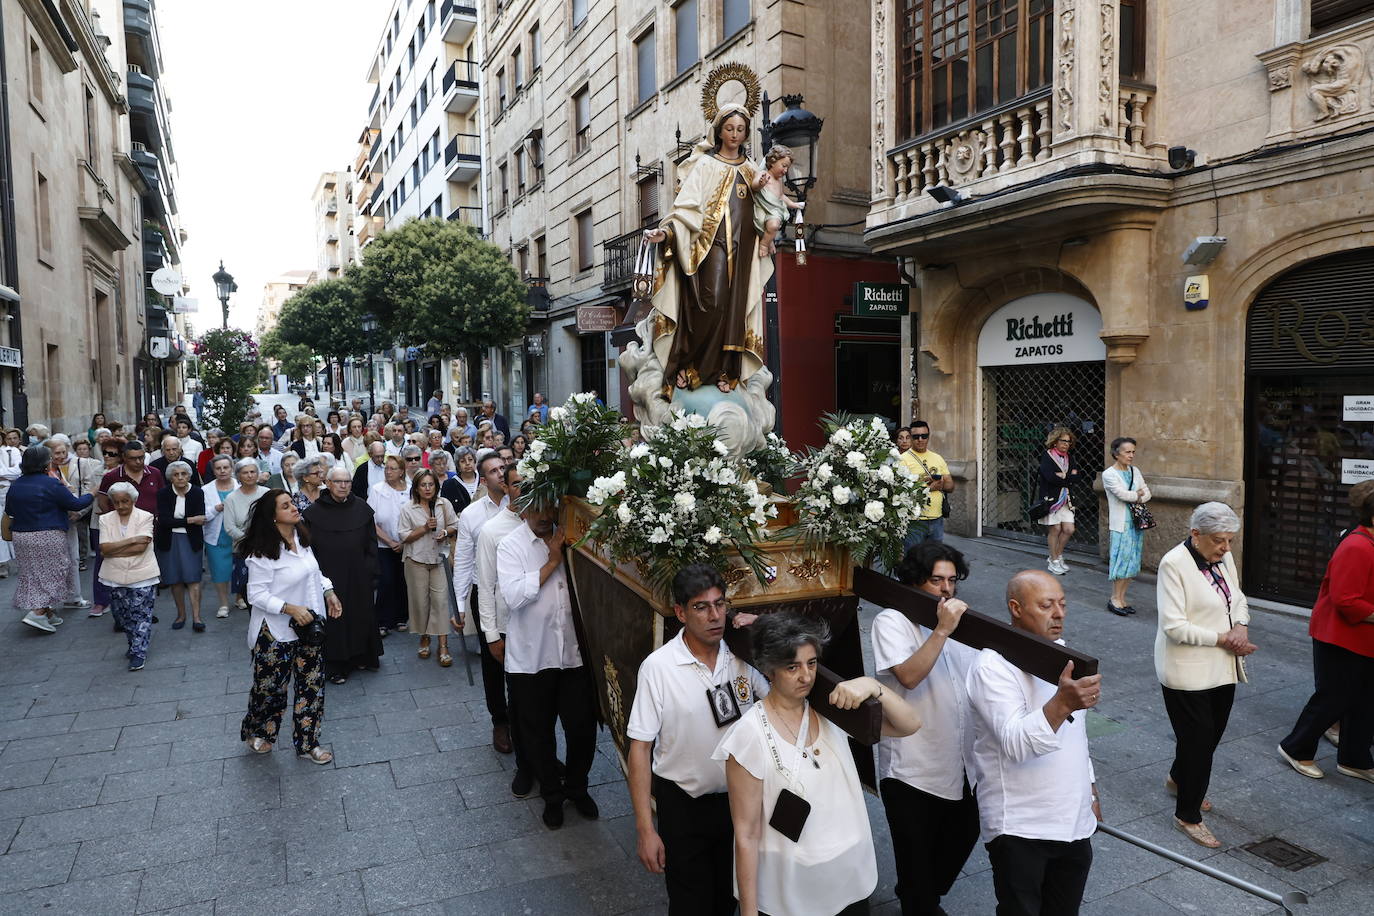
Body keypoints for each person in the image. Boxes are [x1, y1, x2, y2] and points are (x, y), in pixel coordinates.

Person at [715, 611, 920, 916]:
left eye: (811, 663)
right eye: (792, 667)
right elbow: (745, 833)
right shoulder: (749, 735)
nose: (806, 676)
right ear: (769, 669)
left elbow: (910, 724)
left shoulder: (833, 710)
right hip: (790, 888)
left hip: (847, 877)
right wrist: (748, 910)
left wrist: (873, 687)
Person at [627, 564, 771, 914]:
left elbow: (783, 702)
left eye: (720, 604)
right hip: (684, 805)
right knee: (691, 903)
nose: (715, 616)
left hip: (741, 803)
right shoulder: (658, 667)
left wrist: (766, 631)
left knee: (733, 896)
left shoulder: (742, 655)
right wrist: (646, 829)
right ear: (680, 612)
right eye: (701, 607)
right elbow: (640, 749)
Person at [967, 569, 1102, 914]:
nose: (1059, 614)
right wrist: (1063, 703)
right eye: (1046, 605)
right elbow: (1016, 744)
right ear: (1016, 607)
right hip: (1020, 825)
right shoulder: (990, 666)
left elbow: (1078, 735)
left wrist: (1090, 789)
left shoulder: (1062, 655)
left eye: (1062, 604)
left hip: (1072, 820)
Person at [874, 542, 980, 916]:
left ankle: (920, 894)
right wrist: (941, 631)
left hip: (959, 763)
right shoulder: (892, 621)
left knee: (964, 835)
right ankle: (919, 900)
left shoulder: (960, 626)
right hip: (911, 768)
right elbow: (909, 675)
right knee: (916, 858)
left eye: (952, 580)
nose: (946, 589)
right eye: (936, 580)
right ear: (916, 580)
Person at [644, 103, 769, 396]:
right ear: (719, 130)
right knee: (710, 303)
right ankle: (690, 365)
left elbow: (767, 207)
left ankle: (726, 371)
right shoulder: (706, 166)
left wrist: (769, 232)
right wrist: (667, 233)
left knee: (733, 311)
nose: (735, 135)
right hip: (709, 248)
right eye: (729, 128)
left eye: (740, 129)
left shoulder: (752, 171)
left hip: (744, 250)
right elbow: (685, 208)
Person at [1155, 502, 1256, 849]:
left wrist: (1241, 625)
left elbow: (1237, 597)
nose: (1226, 548)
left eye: (1229, 540)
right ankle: (1188, 814)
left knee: (1210, 737)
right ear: (1195, 534)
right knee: (1198, 742)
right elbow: (1174, 626)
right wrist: (1223, 638)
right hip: (1186, 669)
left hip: (1222, 664)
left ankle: (1179, 778)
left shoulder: (1222, 557)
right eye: (1218, 541)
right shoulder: (1173, 564)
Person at [498, 500, 600, 829]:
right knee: (538, 733)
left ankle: (577, 787)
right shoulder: (511, 545)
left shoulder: (573, 537)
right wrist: (553, 560)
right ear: (522, 511)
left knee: (582, 728)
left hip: (573, 654)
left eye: (548, 508)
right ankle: (552, 796)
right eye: (535, 509)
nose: (543, 516)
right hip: (532, 657)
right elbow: (514, 596)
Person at [1279, 480, 1374, 783]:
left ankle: (1355, 759)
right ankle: (1295, 748)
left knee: (1364, 701)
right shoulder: (1357, 546)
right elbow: (1345, 600)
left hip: (1361, 639)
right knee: (1333, 698)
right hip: (1340, 637)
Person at [238, 489, 341, 763]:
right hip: (275, 632)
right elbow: (256, 595)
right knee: (270, 689)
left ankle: (309, 744)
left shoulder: (301, 538)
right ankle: (260, 731)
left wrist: (329, 592)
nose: (294, 508)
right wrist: (289, 607)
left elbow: (314, 574)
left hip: (310, 629)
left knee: (312, 687)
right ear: (273, 517)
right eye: (286, 506)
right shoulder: (262, 552)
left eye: (292, 503)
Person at [471, 462, 533, 791]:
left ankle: (542, 756)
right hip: (507, 627)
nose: (523, 490)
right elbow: (485, 587)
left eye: (529, 483)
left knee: (538, 702)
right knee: (517, 699)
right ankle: (525, 761)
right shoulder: (492, 530)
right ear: (507, 489)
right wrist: (492, 636)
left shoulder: (544, 524)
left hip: (538, 628)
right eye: (517, 484)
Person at [457, 450, 515, 754]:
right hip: (486, 593)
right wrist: (460, 606)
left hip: (517, 592)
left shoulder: (521, 505)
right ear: (483, 478)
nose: (500, 473)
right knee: (493, 660)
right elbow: (464, 563)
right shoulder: (471, 515)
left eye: (503, 467)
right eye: (493, 470)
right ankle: (500, 721)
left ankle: (521, 717)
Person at [305, 465, 383, 684]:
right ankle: (338, 665)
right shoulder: (314, 513)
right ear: (328, 484)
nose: (343, 486)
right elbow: (309, 549)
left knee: (361, 615)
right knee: (336, 620)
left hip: (360, 573)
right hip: (331, 577)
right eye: (338, 482)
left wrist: (370, 568)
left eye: (347, 482)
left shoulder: (361, 508)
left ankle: (362, 656)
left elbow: (371, 542)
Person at [9, 445, 94, 633]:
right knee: (56, 572)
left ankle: (47, 613)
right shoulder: (50, 483)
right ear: (45, 463)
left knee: (33, 574)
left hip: (21, 535)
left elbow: (10, 510)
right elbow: (75, 503)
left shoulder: (17, 484)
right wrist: (93, 493)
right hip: (47, 534)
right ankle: (38, 613)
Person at [398, 468, 459, 666]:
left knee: (441, 602)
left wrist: (444, 531)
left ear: (436, 486)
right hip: (416, 560)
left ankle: (443, 646)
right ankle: (424, 636)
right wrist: (424, 528)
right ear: (416, 488)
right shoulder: (408, 508)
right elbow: (403, 536)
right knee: (420, 603)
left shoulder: (443, 504)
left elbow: (455, 525)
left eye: (430, 484)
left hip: (439, 559)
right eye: (422, 485)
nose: (427, 488)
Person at [97, 481, 160, 669]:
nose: (121, 506)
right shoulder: (105, 519)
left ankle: (139, 652)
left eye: (125, 501)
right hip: (114, 575)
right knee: (123, 616)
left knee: (141, 615)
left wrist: (114, 548)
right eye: (116, 502)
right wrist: (132, 540)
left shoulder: (145, 516)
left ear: (133, 500)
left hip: (143, 573)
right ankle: (133, 644)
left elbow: (141, 548)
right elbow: (104, 548)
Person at [1102, 436, 1152, 616]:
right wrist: (1136, 494)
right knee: (1121, 561)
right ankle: (1114, 598)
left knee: (1132, 562)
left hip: (1136, 523)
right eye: (1127, 452)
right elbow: (1121, 494)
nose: (1131, 455)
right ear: (1116, 454)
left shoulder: (1135, 471)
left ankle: (1122, 599)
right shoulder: (1109, 474)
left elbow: (1147, 493)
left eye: (1133, 452)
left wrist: (1137, 495)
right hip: (1121, 524)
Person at [154, 461, 207, 632]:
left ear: (189, 476)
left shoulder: (198, 492)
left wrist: (183, 522)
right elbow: (164, 520)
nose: (180, 477)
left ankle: (197, 617)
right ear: (170, 478)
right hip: (169, 540)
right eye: (176, 475)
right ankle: (181, 615)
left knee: (193, 578)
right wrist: (190, 520)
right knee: (174, 579)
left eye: (183, 474)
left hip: (191, 540)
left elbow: (201, 517)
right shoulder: (163, 493)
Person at [369, 454, 412, 635]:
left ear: (401, 471)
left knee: (403, 581)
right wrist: (390, 541)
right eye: (386, 468)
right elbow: (371, 520)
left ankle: (402, 617)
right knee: (386, 581)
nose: (388, 471)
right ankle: (383, 621)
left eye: (393, 468)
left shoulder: (410, 489)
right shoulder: (377, 490)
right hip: (384, 545)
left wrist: (404, 541)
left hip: (408, 544)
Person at [222, 458, 268, 613]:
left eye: (252, 471)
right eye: (245, 472)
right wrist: (250, 542)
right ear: (238, 476)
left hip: (268, 549)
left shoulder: (267, 494)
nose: (249, 475)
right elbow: (229, 527)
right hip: (243, 551)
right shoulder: (231, 499)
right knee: (249, 593)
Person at [1035, 427, 1083, 575]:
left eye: (1069, 441)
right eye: (1063, 441)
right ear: (1055, 441)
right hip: (1051, 499)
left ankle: (1056, 555)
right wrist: (1067, 477)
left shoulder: (1070, 458)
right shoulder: (1047, 456)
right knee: (1055, 529)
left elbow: (1077, 477)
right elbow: (1049, 477)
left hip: (1067, 500)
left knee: (1069, 529)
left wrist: (1063, 477)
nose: (1066, 444)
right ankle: (1054, 560)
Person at [899, 419, 954, 547]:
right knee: (914, 563)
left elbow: (950, 486)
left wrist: (940, 484)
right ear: (911, 438)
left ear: (928, 436)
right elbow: (900, 492)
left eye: (924, 436)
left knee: (934, 562)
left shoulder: (937, 458)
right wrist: (929, 488)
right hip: (914, 521)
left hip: (937, 519)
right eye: (916, 436)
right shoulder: (902, 460)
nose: (920, 439)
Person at [202, 454, 239, 620]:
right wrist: (216, 508)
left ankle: (240, 598)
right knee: (219, 571)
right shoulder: (206, 490)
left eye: (226, 467)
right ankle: (223, 604)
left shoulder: (240, 486)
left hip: (238, 535)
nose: (222, 471)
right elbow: (202, 515)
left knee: (240, 568)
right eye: (218, 468)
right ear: (213, 470)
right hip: (216, 536)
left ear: (232, 468)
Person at [753, 144, 806, 256]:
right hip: (762, 208)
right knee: (769, 226)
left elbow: (781, 196)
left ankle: (767, 242)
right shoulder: (763, 174)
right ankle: (765, 244)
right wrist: (760, 184)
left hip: (775, 211)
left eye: (787, 168)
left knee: (773, 226)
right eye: (784, 166)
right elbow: (753, 186)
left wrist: (793, 204)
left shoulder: (779, 181)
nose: (786, 170)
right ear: (772, 162)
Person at [0, 428, 24, 578]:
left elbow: (17, 471)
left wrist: (3, 475)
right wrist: (6, 473)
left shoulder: (11, 452)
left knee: (15, 525)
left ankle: (21, 559)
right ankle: (2, 563)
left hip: (9, 492)